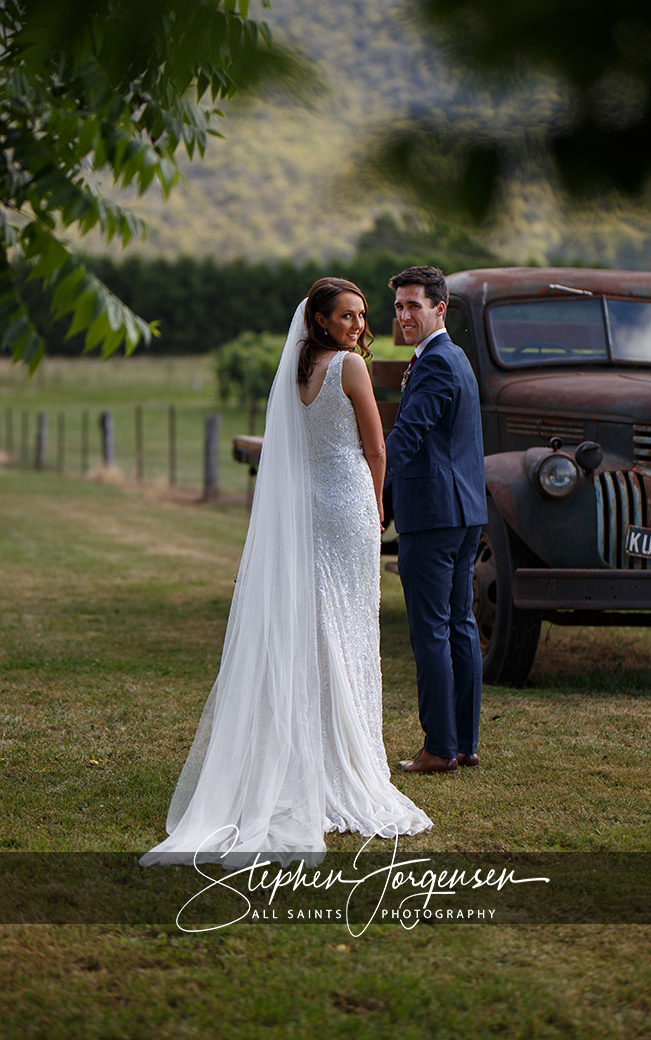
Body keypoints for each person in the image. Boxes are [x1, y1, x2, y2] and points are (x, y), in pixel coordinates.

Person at [141, 277, 431, 868]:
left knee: (314, 627)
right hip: (347, 505)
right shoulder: (349, 368)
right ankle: (340, 765)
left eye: (361, 315)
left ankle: (306, 758)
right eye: (347, 316)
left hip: (308, 511)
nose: (358, 325)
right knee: (346, 628)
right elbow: (377, 449)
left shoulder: (297, 374)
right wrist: (378, 507)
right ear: (321, 321)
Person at [384, 266, 487, 774]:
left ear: (439, 308)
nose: (404, 315)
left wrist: (372, 487)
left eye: (414, 306)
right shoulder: (454, 358)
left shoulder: (435, 365)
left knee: (433, 631)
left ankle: (439, 748)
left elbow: (407, 436)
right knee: (459, 625)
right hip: (463, 512)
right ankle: (462, 744)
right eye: (399, 306)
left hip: (433, 514)